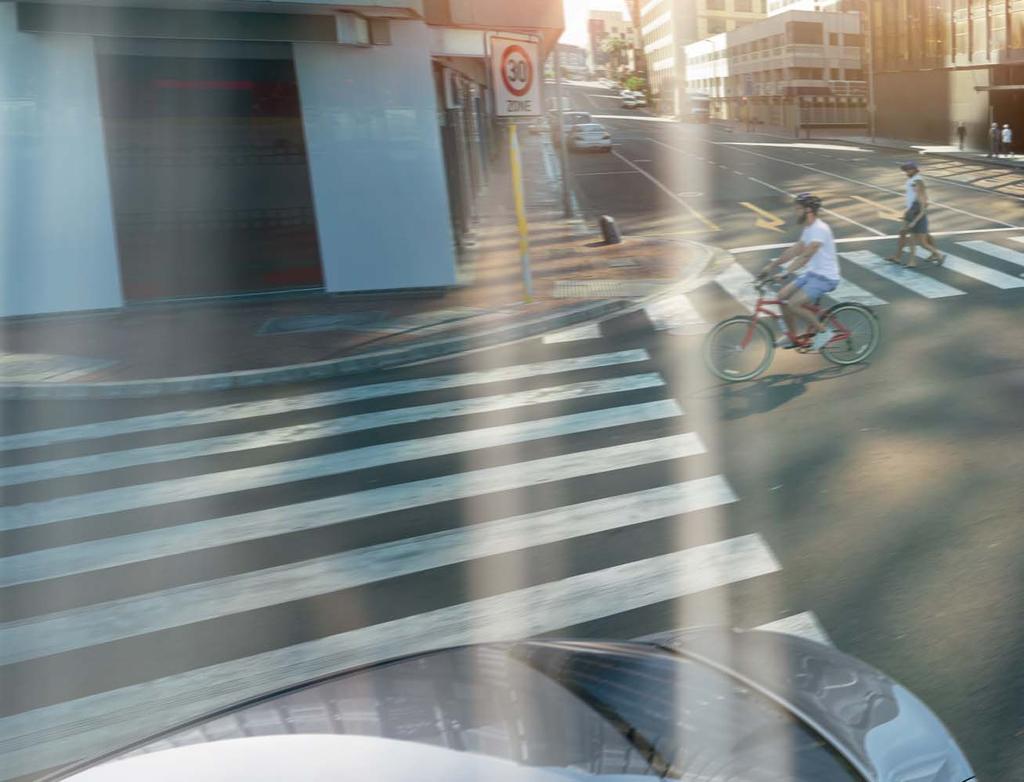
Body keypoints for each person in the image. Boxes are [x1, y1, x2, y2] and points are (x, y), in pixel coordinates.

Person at [758, 193, 840, 352]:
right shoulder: (809, 229)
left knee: (794, 303)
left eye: (798, 208)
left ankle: (824, 332)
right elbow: (796, 250)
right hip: (812, 274)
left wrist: (786, 272)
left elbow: (805, 256)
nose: (796, 212)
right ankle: (792, 336)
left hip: (826, 277)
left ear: (808, 210)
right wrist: (772, 265)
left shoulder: (820, 229)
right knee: (781, 297)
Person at [887, 162, 944, 267]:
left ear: (914, 169)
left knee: (914, 237)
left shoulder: (917, 181)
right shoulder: (912, 180)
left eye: (909, 170)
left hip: (915, 212)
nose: (906, 172)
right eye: (905, 170)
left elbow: (924, 198)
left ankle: (933, 254)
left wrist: (918, 213)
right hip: (912, 211)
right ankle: (904, 258)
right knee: (916, 236)